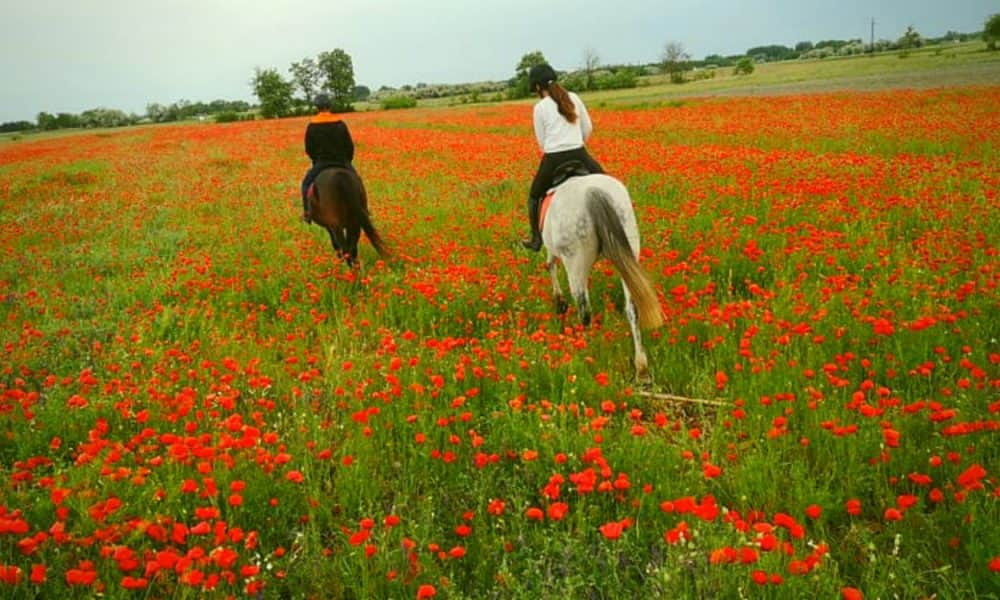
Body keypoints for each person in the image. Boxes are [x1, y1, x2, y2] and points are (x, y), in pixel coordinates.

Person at [520, 63, 605, 251]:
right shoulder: (573, 97)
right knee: (607, 183)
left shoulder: (540, 108)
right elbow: (588, 128)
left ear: (537, 87)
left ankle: (536, 239)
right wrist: (575, 143)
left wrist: (558, 146)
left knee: (534, 196)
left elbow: (542, 142)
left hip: (553, 158)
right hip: (579, 153)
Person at [300, 93, 357, 223]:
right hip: (342, 162)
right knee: (357, 181)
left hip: (322, 163)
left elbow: (309, 149)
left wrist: (316, 161)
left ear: (317, 107)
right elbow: (349, 146)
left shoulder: (312, 125)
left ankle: (307, 213)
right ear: (330, 106)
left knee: (305, 184)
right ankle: (364, 208)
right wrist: (347, 161)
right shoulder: (340, 123)